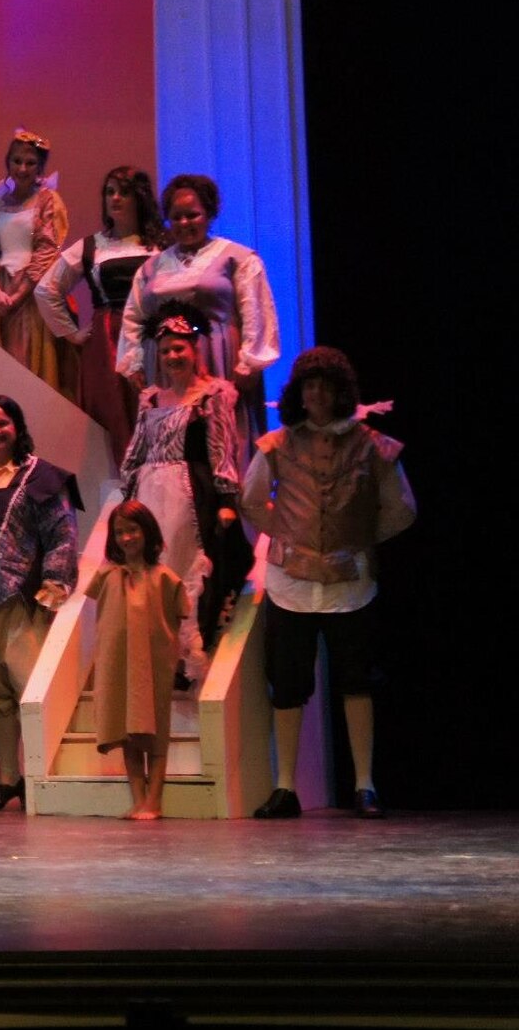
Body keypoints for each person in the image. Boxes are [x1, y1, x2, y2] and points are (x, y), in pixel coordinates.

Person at [241, 347, 415, 821]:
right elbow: (252, 500)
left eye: (324, 385)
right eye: (308, 385)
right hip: (290, 586)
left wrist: (359, 539)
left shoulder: (372, 445)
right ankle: (285, 789)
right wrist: (286, 535)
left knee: (357, 682)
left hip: (349, 587)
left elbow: (402, 508)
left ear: (340, 391)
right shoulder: (278, 444)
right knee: (289, 685)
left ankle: (365, 785)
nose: (316, 393)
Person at [0, 394, 81, 804]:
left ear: (17, 428)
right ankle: (8, 779)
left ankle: (41, 776)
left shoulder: (39, 476)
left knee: (30, 691)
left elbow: (62, 532)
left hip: (23, 603)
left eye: (3, 423)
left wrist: (55, 583)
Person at [117, 304, 251, 684]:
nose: (173, 357)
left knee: (181, 568)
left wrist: (227, 501)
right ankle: (157, 654)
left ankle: (185, 656)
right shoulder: (151, 400)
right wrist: (127, 494)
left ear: (195, 350)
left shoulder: (212, 396)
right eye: (166, 351)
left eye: (180, 348)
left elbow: (223, 449)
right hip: (149, 496)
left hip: (188, 495)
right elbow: (136, 451)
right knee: (149, 570)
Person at [118, 173, 280, 450]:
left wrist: (250, 362)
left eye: (192, 215)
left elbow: (255, 309)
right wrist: (134, 361)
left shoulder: (236, 257)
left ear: (209, 214)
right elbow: (135, 315)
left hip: (219, 356)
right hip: (167, 360)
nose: (184, 223)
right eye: (176, 217)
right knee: (175, 439)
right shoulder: (152, 267)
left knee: (221, 434)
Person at [35, 167, 165, 462]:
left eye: (124, 192)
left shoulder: (160, 245)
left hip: (153, 337)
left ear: (139, 197)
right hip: (107, 340)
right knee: (112, 414)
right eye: (109, 192)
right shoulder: (93, 246)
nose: (115, 198)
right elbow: (46, 289)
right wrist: (73, 333)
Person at [87, 500, 187, 820]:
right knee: (125, 729)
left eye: (133, 530)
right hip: (117, 663)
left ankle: (154, 799)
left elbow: (177, 619)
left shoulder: (165, 578)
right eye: (120, 532)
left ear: (147, 531)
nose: (127, 538)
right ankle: (139, 798)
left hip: (154, 664)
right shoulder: (106, 576)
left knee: (154, 729)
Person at [0, 130, 73, 396]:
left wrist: (18, 295)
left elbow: (46, 249)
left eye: (30, 163)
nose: (22, 168)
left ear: (39, 167)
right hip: (0, 293)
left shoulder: (47, 201)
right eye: (17, 161)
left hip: (31, 292)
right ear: (9, 163)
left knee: (29, 361)